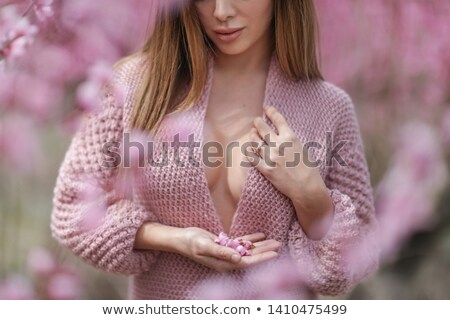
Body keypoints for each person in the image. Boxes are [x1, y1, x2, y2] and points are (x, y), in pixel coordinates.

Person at [51, 0, 379, 299]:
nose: (221, 11)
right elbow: (71, 213)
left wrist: (311, 195)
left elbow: (358, 257)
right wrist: (171, 239)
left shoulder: (329, 108)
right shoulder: (134, 86)